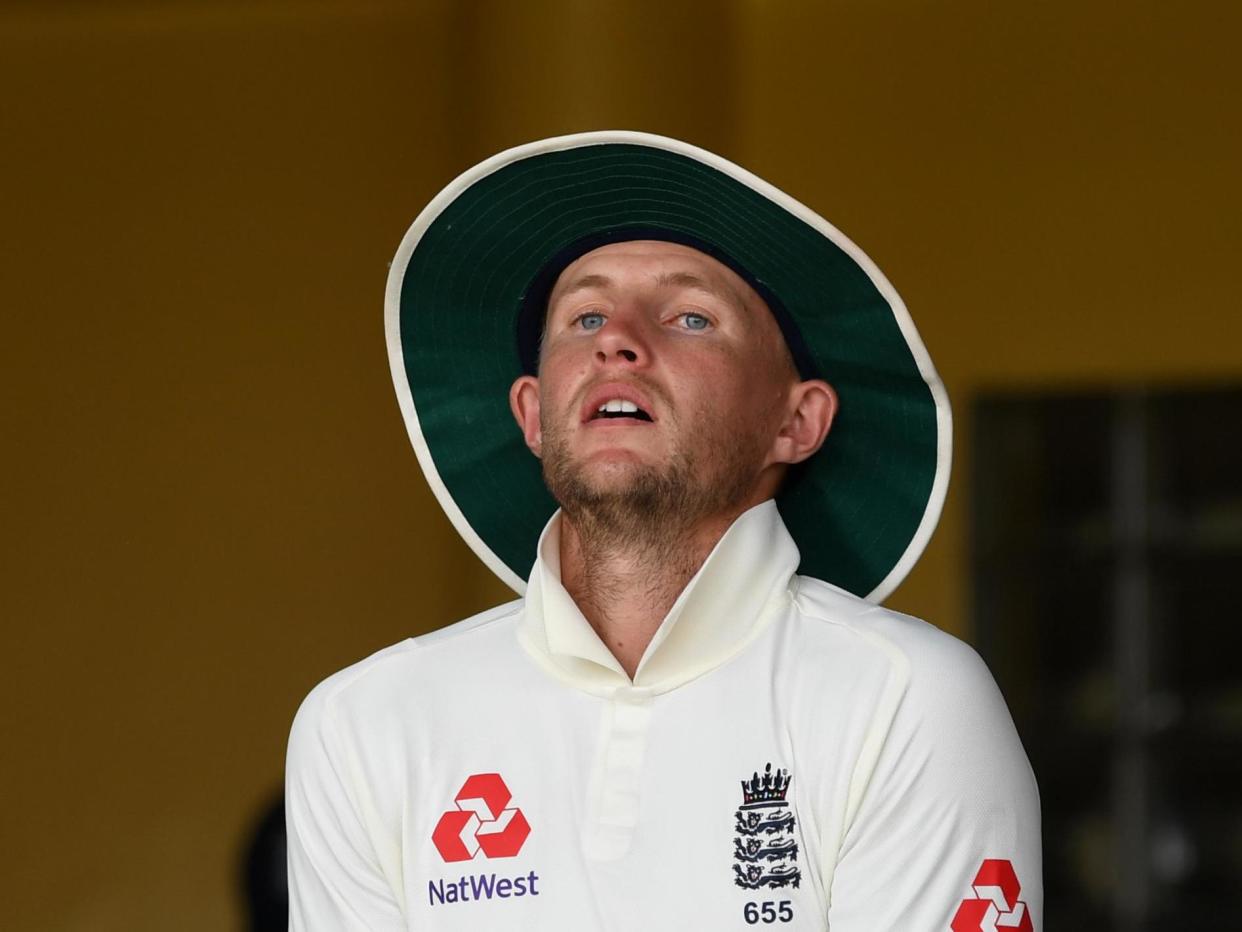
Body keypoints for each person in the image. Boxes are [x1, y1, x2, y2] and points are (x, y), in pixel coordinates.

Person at [285, 131, 1041, 931]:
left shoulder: (902, 697)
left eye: (689, 316)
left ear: (797, 420)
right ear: (533, 414)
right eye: (582, 316)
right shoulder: (366, 723)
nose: (618, 339)